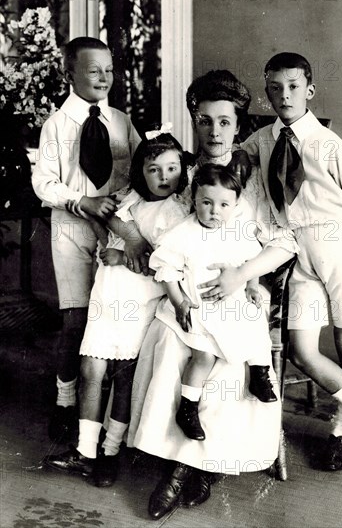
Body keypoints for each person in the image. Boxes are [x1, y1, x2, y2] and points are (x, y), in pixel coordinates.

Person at [126, 70, 298, 521]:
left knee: (229, 357)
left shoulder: (251, 178)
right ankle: (180, 460)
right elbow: (138, 211)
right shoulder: (179, 170)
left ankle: (187, 472)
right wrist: (127, 239)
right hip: (185, 294)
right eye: (205, 121)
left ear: (238, 125)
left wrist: (244, 274)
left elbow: (284, 242)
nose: (215, 131)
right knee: (167, 343)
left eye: (224, 122)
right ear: (194, 122)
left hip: (236, 298)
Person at [241, 52, 342, 473]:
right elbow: (233, 161)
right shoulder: (263, 139)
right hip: (295, 250)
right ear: (267, 92)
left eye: (293, 87)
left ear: (309, 90)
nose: (284, 95)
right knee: (304, 350)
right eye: (275, 88)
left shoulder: (329, 144)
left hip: (339, 244)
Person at [44, 129, 190, 487]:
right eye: (154, 169)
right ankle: (85, 451)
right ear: (141, 171)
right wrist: (118, 232)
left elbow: (164, 265)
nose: (164, 177)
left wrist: (123, 255)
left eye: (172, 168)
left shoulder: (177, 213)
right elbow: (110, 216)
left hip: (137, 303)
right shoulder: (130, 198)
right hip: (106, 298)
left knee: (123, 377)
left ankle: (109, 452)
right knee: (91, 371)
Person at [32, 37, 141, 443]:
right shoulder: (57, 125)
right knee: (77, 317)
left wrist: (119, 208)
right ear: (70, 74)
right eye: (94, 70)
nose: (104, 78)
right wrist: (82, 201)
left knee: (113, 315)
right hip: (72, 230)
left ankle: (113, 407)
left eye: (109, 70)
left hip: (116, 230)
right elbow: (43, 182)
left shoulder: (120, 121)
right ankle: (65, 400)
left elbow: (139, 170)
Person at [151, 164, 277, 441]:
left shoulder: (237, 230)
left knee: (256, 325)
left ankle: (259, 374)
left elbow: (249, 261)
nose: (214, 211)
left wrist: (253, 286)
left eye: (223, 204)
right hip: (200, 303)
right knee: (203, 354)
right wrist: (179, 301)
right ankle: (188, 406)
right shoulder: (183, 233)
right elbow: (167, 272)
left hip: (232, 300)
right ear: (194, 199)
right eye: (206, 202)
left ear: (234, 206)